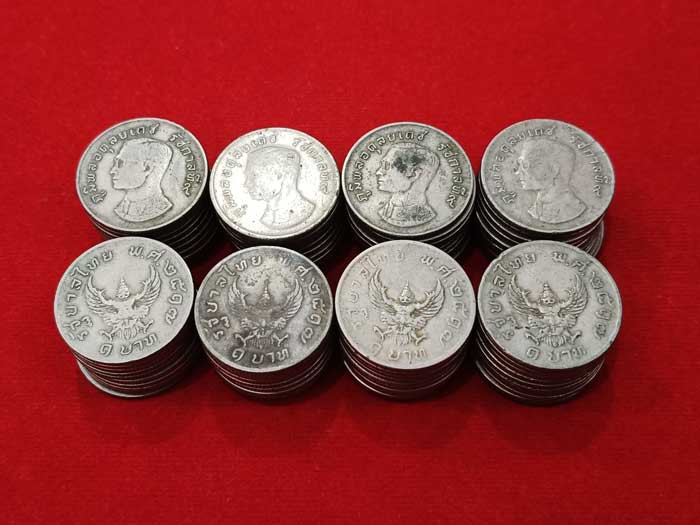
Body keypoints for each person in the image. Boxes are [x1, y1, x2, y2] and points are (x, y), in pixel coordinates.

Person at [515, 138, 586, 224]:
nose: (518, 172)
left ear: (554, 170)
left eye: (525, 165)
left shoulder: (572, 210)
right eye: (520, 164)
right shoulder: (536, 207)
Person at [244, 146, 315, 229]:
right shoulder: (266, 217)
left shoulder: (304, 211)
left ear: (279, 176)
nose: (246, 184)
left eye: (253, 176)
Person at [374, 143, 438, 228]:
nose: (378, 172)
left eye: (386, 166)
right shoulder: (383, 212)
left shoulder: (425, 217)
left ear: (413, 174)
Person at [110, 138, 174, 222]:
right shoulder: (120, 209)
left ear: (147, 168)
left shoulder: (161, 208)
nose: (112, 171)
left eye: (121, 163)